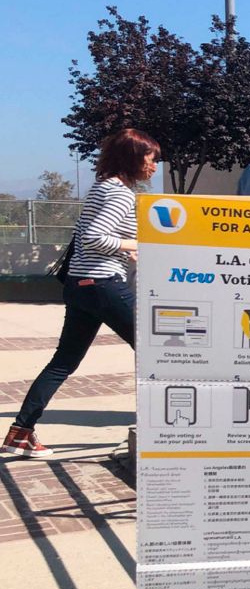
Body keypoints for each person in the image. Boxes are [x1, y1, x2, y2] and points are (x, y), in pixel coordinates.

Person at [3, 128, 161, 457]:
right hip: (103, 285)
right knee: (155, 350)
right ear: (133, 158)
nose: (154, 165)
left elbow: (96, 240)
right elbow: (93, 237)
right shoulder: (119, 193)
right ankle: (164, 427)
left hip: (82, 286)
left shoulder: (103, 187)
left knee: (64, 362)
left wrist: (123, 251)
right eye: (151, 158)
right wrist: (138, 244)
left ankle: (21, 431)